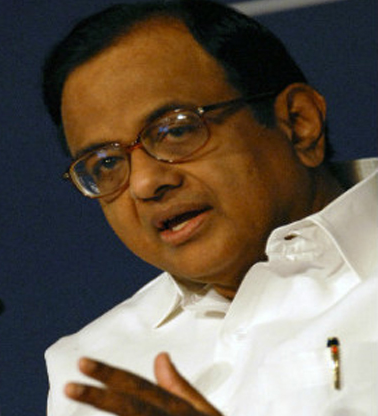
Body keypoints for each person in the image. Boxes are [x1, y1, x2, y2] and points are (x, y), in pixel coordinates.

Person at [41, 0, 378, 415]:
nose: (145, 184)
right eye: (106, 163)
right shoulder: (91, 368)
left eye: (175, 130)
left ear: (298, 121)